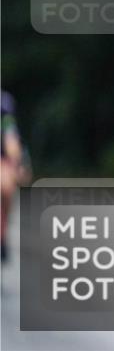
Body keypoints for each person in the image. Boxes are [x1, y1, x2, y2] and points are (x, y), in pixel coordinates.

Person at [1, 90, 30, 263]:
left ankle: (2, 235)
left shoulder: (4, 104)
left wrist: (18, 163)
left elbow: (10, 138)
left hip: (3, 159)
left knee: (5, 186)